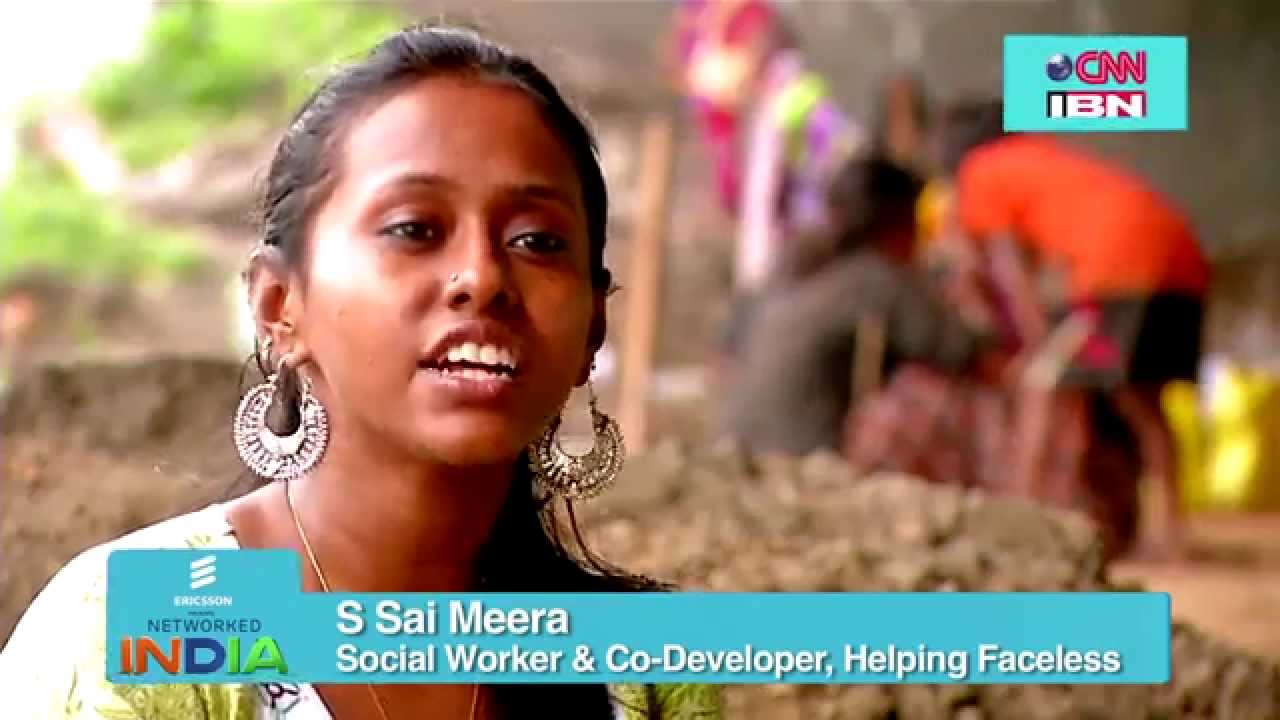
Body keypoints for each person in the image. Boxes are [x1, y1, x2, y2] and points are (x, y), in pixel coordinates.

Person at [0, 25, 723, 719]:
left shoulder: (643, 668)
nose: (482, 277)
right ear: (280, 306)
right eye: (414, 229)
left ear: (594, 323)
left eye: (536, 240)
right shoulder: (140, 630)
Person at [937, 99, 1211, 559]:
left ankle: (1022, 521)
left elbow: (1011, 272)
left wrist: (1036, 342)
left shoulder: (980, 171)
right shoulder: (1041, 155)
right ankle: (1170, 532)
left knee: (1043, 387)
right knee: (1143, 403)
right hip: (1180, 259)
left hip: (1115, 270)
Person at [723, 154, 998, 457]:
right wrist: (974, 294)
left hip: (736, 440)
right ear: (898, 224)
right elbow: (963, 350)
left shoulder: (790, 260)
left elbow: (730, 343)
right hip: (804, 451)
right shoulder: (876, 276)